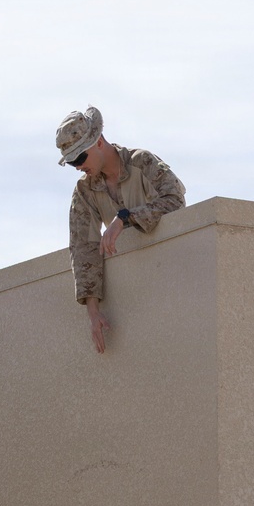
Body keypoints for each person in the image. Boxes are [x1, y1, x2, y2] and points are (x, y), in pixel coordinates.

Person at [55, 104, 185, 354]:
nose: (78, 166)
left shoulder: (143, 162)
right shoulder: (85, 191)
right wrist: (93, 313)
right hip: (135, 293)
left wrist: (124, 218)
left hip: (173, 275)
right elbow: (83, 248)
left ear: (99, 142)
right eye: (72, 162)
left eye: (80, 157)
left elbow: (176, 202)